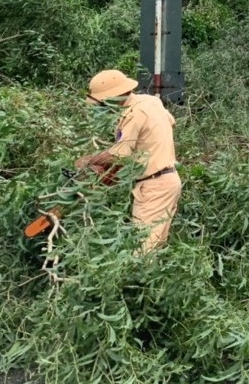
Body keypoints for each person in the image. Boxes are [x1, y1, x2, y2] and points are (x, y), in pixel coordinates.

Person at [75, 69, 183, 253]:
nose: (103, 108)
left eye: (103, 103)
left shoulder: (134, 114)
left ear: (113, 97)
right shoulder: (151, 101)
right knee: (155, 246)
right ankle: (149, 280)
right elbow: (169, 122)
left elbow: (119, 155)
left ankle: (137, 280)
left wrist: (87, 161)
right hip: (169, 180)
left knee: (141, 250)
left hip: (153, 187)